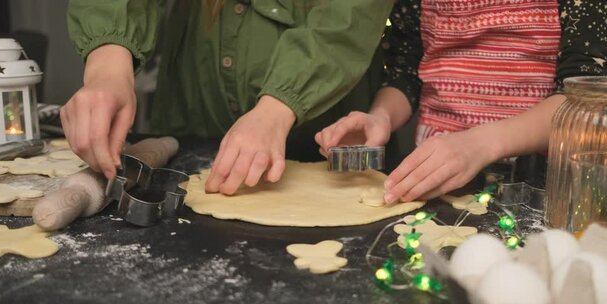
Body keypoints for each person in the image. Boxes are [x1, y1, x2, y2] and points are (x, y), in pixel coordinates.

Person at [62, 0, 395, 195]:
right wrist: (108, 61)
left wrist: (280, 106)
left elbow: (351, 14)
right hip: (195, 101)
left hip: (323, 130)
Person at [315, 0, 607, 204]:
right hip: (434, 177)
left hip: (536, 185)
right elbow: (407, 73)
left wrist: (478, 144)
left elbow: (583, 98)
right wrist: (381, 117)